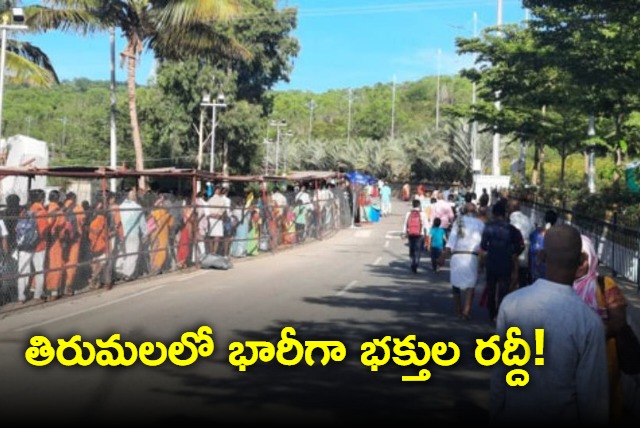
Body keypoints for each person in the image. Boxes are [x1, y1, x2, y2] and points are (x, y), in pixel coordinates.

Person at [490, 224, 609, 425]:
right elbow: (593, 398)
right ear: (581, 261)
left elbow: (500, 371)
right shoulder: (589, 322)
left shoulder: (512, 303)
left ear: (541, 256)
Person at [573, 235, 628, 424]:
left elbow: (619, 322)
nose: (579, 264)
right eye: (574, 259)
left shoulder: (605, 285)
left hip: (604, 357)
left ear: (591, 258)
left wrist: (587, 335)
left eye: (582, 259)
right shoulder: (562, 285)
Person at [437, 202, 485, 320]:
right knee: (470, 286)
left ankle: (458, 310)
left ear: (463, 211)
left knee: (456, 285)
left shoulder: (458, 221)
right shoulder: (480, 223)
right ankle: (466, 311)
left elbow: (452, 240)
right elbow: (483, 243)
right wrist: (483, 260)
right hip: (472, 258)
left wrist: (443, 255)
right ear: (475, 212)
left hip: (457, 257)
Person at [479, 200, 525, 323]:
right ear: (505, 214)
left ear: (493, 214)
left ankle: (491, 313)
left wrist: (491, 250)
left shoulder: (488, 227)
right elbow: (521, 245)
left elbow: (483, 245)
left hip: (492, 261)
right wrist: (513, 254)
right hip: (506, 262)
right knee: (503, 290)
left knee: (491, 288)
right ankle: (499, 313)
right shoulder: (512, 229)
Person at [16, 189, 50, 303]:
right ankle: (37, 296)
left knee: (23, 271)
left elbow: (18, 228)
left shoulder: (25, 211)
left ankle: (21, 297)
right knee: (39, 270)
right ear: (42, 199)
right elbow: (45, 228)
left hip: (25, 246)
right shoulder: (42, 211)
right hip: (39, 246)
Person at [507, 198, 534, 288]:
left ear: (511, 208)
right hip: (525, 251)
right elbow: (532, 233)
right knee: (522, 277)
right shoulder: (527, 219)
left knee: (511, 276)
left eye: (508, 207)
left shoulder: (510, 219)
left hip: (513, 251)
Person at [528, 209, 558, 283]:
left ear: (545, 219)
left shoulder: (535, 233)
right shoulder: (556, 237)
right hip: (547, 276)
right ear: (555, 221)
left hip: (534, 271)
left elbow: (529, 251)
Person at [401, 199, 429, 273]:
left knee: (412, 249)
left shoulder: (408, 213)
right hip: (420, 234)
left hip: (410, 234)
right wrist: (428, 235)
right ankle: (416, 263)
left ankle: (412, 262)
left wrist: (403, 233)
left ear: (412, 205)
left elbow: (405, 224)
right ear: (419, 205)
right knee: (418, 250)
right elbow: (426, 225)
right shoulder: (423, 214)